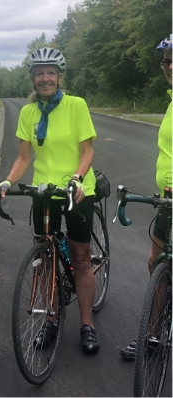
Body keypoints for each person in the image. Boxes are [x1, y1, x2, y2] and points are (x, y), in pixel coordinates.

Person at [0, 48, 100, 352]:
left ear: (59, 77)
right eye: (39, 73)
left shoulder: (75, 105)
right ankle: (51, 320)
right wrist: (6, 181)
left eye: (51, 73)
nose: (45, 78)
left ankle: (87, 325)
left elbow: (87, 152)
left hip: (77, 189)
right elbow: (24, 157)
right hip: (44, 191)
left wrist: (76, 179)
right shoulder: (29, 112)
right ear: (33, 78)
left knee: (81, 258)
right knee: (44, 260)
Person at [120, 34, 172, 360]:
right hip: (167, 198)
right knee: (157, 263)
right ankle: (154, 336)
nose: (170, 66)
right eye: (167, 60)